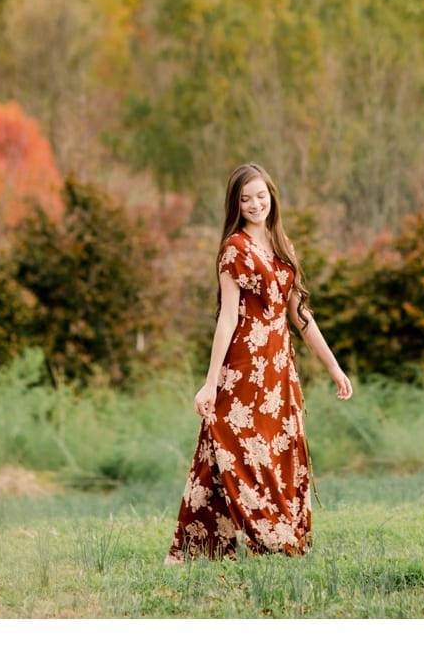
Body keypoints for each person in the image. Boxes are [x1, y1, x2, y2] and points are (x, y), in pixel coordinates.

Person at [165, 162, 353, 562]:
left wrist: (334, 367)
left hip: (280, 370)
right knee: (237, 451)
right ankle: (255, 539)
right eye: (246, 198)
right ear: (236, 203)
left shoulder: (283, 245)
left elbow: (301, 316)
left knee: (277, 451)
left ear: (272, 197)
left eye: (261, 196)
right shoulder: (234, 248)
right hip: (244, 368)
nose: (255, 204)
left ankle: (276, 535)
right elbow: (228, 317)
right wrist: (210, 381)